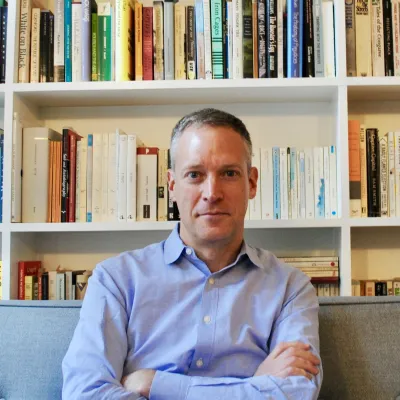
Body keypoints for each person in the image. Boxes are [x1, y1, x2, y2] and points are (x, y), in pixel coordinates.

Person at [62, 108, 323, 399]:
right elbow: (84, 392)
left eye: (229, 173)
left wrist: (156, 385)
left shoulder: (291, 288)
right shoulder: (116, 280)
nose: (212, 192)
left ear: (251, 183)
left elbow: (296, 393)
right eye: (195, 175)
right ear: (172, 185)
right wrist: (254, 385)